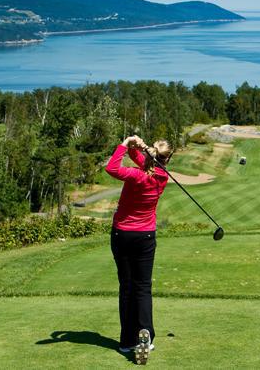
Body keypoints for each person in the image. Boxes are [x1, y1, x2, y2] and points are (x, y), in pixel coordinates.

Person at [105, 134, 173, 363]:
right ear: (166, 160)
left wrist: (124, 145)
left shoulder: (135, 176)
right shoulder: (162, 176)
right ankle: (146, 335)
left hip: (122, 234)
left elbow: (112, 168)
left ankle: (126, 341)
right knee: (143, 287)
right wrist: (137, 147)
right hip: (145, 236)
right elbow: (146, 163)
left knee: (127, 287)